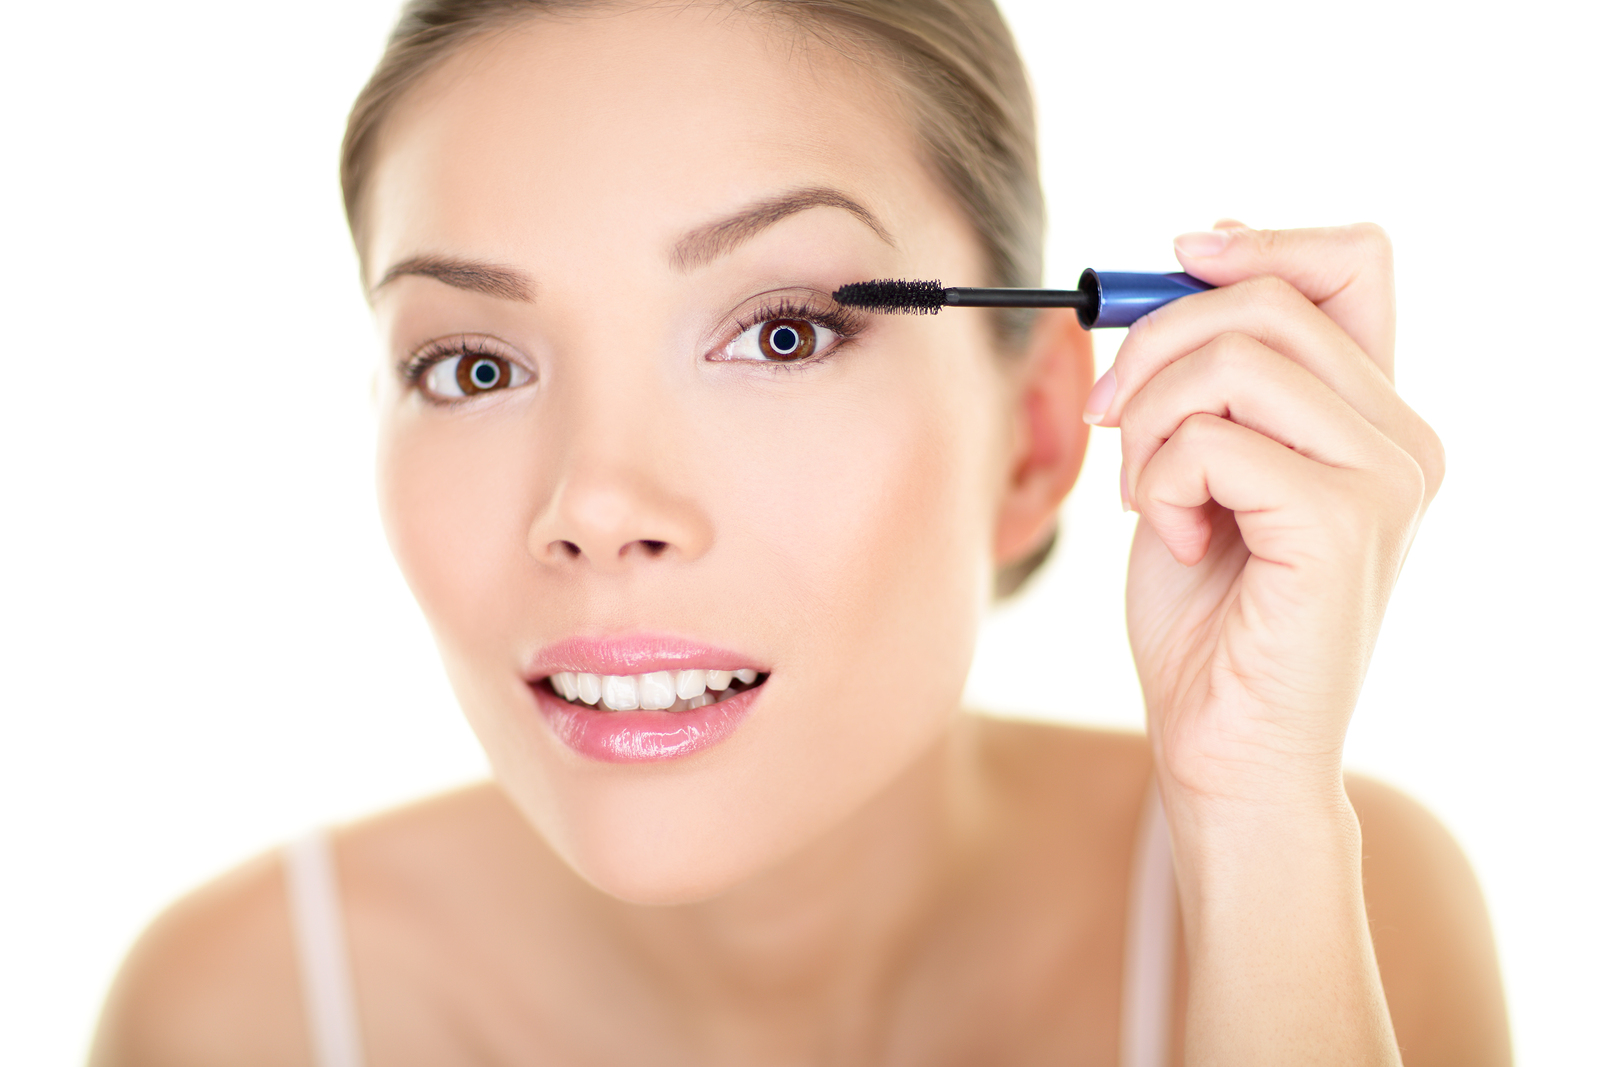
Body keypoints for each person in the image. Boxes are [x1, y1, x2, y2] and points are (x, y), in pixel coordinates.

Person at [89, 1, 1510, 1063]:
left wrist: (1260, 821)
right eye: (473, 366)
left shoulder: (1347, 906)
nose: (594, 504)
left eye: (779, 335)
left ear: (1027, 438)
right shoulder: (241, 1012)